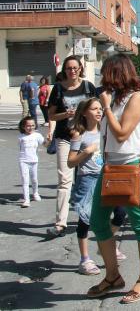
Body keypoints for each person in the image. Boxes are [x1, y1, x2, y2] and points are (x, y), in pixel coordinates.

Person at [87, 55, 140, 304]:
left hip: (134, 164)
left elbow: (123, 133)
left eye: (106, 72)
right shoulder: (113, 98)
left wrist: (106, 107)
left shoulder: (137, 98)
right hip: (111, 166)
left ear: (117, 74)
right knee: (97, 220)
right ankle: (113, 275)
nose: (102, 78)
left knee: (139, 222)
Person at [46, 56, 96, 237]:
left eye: (75, 68)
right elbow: (51, 115)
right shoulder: (58, 88)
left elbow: (97, 110)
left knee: (90, 177)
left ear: (80, 68)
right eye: (69, 68)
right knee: (64, 180)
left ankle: (88, 217)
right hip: (65, 138)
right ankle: (60, 223)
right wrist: (66, 114)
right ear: (64, 70)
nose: (72, 71)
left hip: (85, 138)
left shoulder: (88, 87)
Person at [67, 98, 104, 275]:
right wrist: (86, 151)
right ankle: (84, 259)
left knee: (116, 214)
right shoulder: (78, 134)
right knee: (85, 219)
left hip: (105, 177)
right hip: (87, 179)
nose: (99, 111)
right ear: (84, 112)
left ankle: (107, 248)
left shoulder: (105, 130)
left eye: (100, 108)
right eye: (94, 109)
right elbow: (70, 162)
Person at [18, 115, 44, 208]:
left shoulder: (37, 135)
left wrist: (49, 140)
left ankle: (35, 193)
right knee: (25, 180)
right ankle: (26, 200)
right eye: (28, 126)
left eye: (32, 125)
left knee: (34, 179)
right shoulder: (21, 137)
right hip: (23, 161)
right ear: (23, 126)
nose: (30, 127)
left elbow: (45, 144)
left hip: (34, 161)